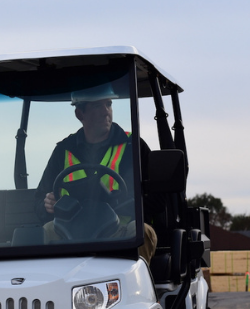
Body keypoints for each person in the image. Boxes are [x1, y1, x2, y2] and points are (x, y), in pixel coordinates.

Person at [33, 84, 157, 262]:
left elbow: (158, 199)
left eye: (108, 104)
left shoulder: (134, 146)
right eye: (98, 106)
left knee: (142, 231)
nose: (106, 111)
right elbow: (39, 200)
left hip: (118, 233)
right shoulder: (63, 150)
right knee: (44, 232)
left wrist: (125, 203)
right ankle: (44, 288)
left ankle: (136, 287)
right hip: (69, 234)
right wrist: (47, 204)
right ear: (79, 114)